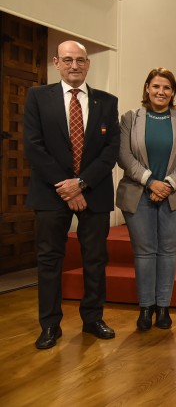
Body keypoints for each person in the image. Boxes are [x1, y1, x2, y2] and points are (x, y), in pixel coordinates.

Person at [24, 40, 120, 349]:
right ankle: (50, 325)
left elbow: (111, 150)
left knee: (95, 259)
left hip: (94, 192)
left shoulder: (107, 101)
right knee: (50, 260)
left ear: (88, 64)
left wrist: (81, 184)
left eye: (80, 60)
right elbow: (33, 147)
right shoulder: (38, 97)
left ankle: (92, 319)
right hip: (51, 194)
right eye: (68, 60)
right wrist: (66, 186)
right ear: (56, 63)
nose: (74, 65)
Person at [116, 68, 176, 331]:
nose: (161, 92)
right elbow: (124, 156)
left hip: (175, 196)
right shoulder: (131, 118)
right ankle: (145, 308)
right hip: (138, 193)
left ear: (173, 92)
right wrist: (151, 181)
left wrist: (169, 184)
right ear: (147, 88)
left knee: (168, 252)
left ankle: (163, 308)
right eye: (156, 87)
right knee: (144, 252)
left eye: (167, 88)